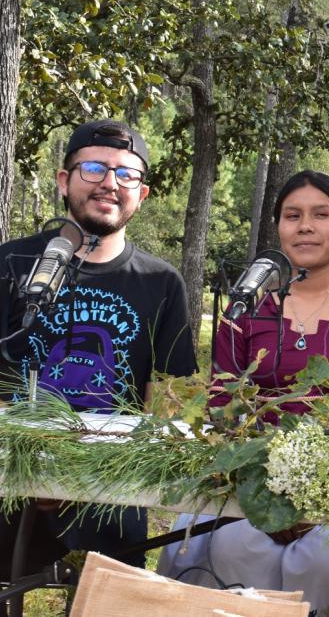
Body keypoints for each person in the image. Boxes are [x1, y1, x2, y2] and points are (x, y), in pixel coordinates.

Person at [157, 170, 329, 616]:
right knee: (231, 548)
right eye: (293, 216)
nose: (305, 226)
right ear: (279, 229)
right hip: (250, 487)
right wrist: (263, 498)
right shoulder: (244, 312)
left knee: (323, 565)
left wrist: (318, 496)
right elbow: (223, 409)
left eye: (321, 215)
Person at [0, 119, 197, 582]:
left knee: (111, 598)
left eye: (126, 174)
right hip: (9, 477)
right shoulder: (10, 263)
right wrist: (31, 468)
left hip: (111, 488)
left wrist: (89, 473)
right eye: (94, 169)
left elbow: (167, 404)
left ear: (141, 195)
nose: (110, 183)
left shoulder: (161, 283)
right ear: (64, 180)